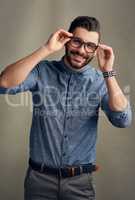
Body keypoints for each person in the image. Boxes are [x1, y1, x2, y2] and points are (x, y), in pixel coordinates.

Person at [0, 16, 132, 200]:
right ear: (67, 40)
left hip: (80, 183)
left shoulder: (99, 82)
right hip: (39, 181)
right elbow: (4, 84)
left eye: (89, 46)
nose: (81, 51)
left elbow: (123, 120)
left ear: (95, 50)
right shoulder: (42, 71)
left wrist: (108, 72)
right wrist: (46, 49)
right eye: (77, 42)